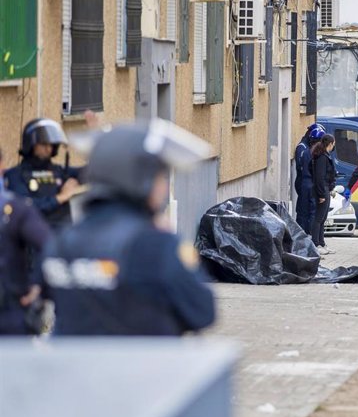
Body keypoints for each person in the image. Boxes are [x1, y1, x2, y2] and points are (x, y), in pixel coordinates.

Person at [39, 120, 216, 335]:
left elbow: (41, 294)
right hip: (139, 367)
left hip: (73, 367)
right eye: (161, 176)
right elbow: (202, 311)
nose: (164, 187)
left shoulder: (60, 242)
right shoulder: (156, 245)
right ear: (140, 179)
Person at [0, 148, 52, 335]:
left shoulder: (15, 210)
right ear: (2, 166)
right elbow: (52, 247)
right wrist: (38, 285)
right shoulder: (15, 209)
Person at [3, 118, 82, 230]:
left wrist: (97, 140)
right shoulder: (15, 175)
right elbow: (25, 207)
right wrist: (60, 198)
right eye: (44, 144)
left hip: (63, 238)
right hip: (33, 239)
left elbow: (92, 171)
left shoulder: (60, 171)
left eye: (52, 145)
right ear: (31, 144)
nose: (48, 149)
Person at [310, 134, 336, 255]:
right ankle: (315, 243)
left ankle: (321, 242)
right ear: (330, 144)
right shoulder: (322, 158)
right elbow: (320, 177)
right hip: (322, 190)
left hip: (326, 189)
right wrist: (321, 194)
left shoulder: (325, 156)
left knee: (323, 217)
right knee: (319, 218)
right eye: (333, 144)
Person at [296, 125, 325, 234]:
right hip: (309, 183)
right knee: (312, 212)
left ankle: (303, 236)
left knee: (303, 212)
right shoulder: (312, 152)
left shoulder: (307, 150)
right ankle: (311, 238)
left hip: (305, 182)